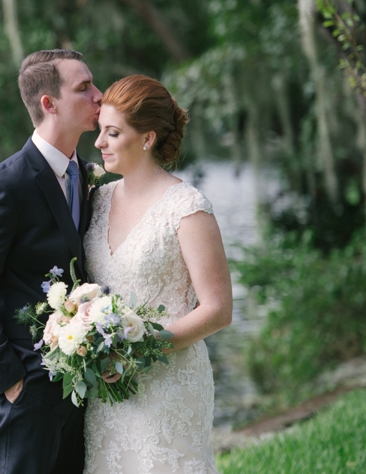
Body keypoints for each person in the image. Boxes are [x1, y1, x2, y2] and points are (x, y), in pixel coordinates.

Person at [0, 49, 108, 474]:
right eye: (84, 88)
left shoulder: (87, 176)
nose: (100, 95)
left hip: (79, 385)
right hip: (26, 389)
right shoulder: (1, 188)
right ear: (48, 104)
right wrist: (10, 382)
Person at [83, 74, 233, 473]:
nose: (98, 143)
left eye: (112, 133)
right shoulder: (97, 200)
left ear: (147, 138)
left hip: (170, 384)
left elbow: (218, 309)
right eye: (100, 131)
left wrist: (142, 348)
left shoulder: (187, 208)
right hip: (108, 386)